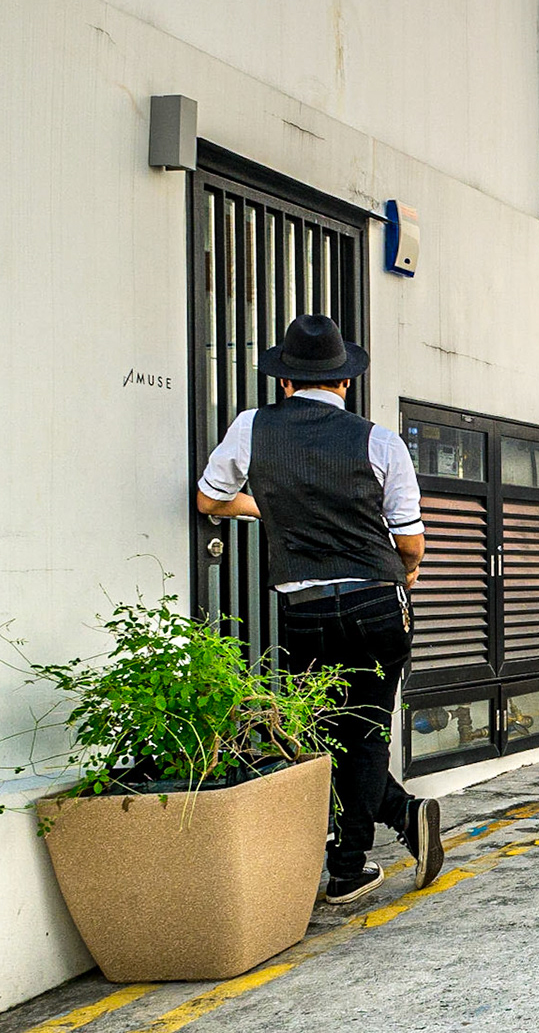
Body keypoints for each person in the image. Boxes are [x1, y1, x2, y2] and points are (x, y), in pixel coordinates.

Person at [195, 314, 444, 904]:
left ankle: (398, 822)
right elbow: (410, 539)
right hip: (376, 602)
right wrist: (405, 570)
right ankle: (351, 862)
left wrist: (269, 512)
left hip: (300, 608)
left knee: (327, 730)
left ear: (284, 381)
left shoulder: (252, 428)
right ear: (345, 382)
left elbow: (210, 497)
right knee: (366, 728)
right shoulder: (378, 439)